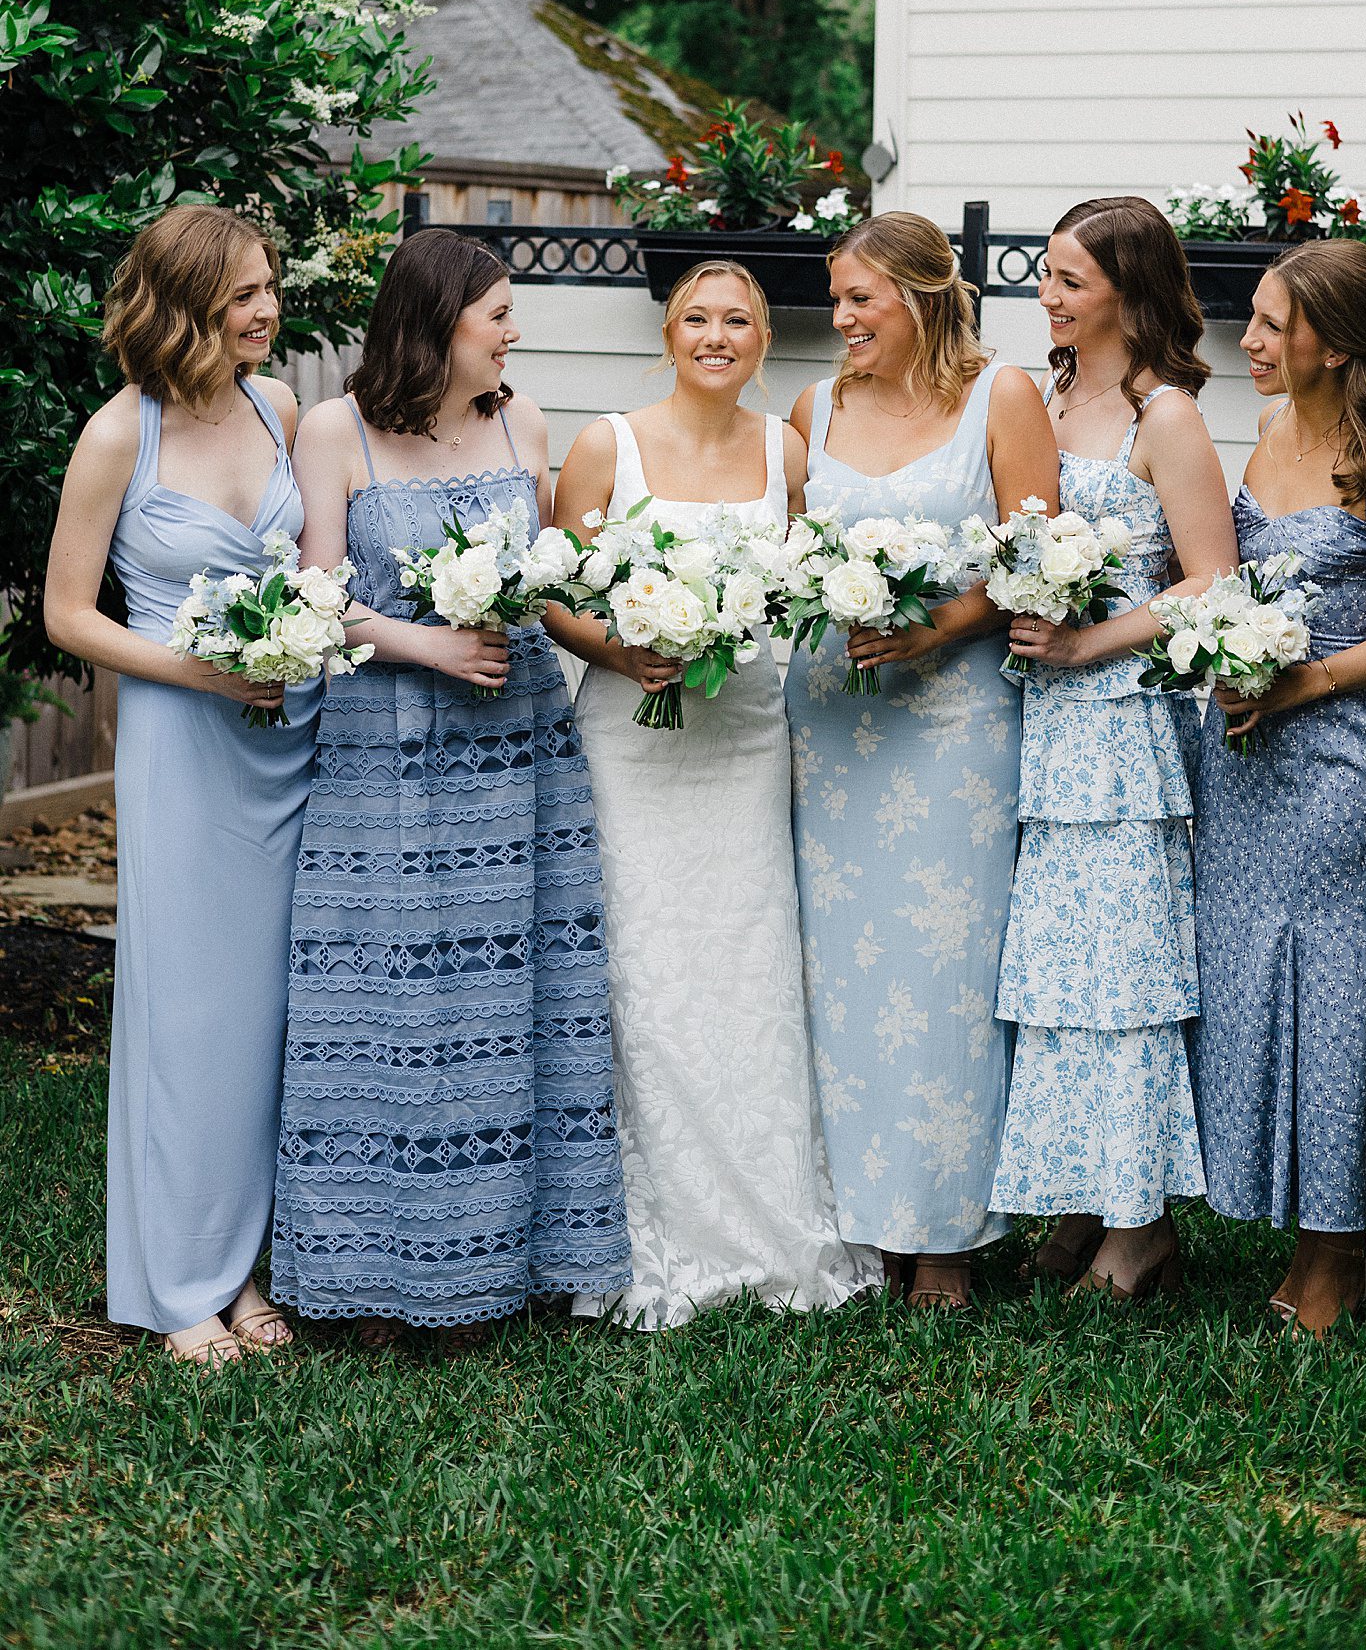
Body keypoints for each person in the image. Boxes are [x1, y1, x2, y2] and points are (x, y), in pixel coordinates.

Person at [271, 228, 631, 1336]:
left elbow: (564, 569)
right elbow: (315, 600)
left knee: (516, 996)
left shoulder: (521, 419)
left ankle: (516, 1264)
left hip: (517, 743)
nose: (515, 332)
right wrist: (425, 644)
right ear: (437, 322)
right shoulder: (336, 430)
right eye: (499, 315)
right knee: (388, 998)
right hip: (386, 748)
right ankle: (374, 1273)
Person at [549, 261, 878, 1327]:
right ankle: (642, 1231)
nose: (718, 336)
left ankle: (768, 1217)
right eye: (698, 318)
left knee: (746, 957)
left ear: (763, 341)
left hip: (741, 733)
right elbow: (558, 596)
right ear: (669, 332)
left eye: (738, 320)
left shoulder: (787, 453)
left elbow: (808, 583)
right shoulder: (609, 444)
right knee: (642, 962)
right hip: (633, 742)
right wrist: (623, 653)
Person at [44, 205, 316, 1365]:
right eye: (246, 295)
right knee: (191, 1011)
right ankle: (178, 1285)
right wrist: (203, 673)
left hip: (293, 727)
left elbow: (315, 573)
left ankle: (249, 1266)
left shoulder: (279, 404)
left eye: (269, 289)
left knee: (278, 1012)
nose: (269, 311)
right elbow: (68, 615)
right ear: (188, 303)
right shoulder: (120, 435)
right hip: (182, 737)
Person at [1190, 239, 1366, 1337]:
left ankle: (1337, 1249)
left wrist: (1307, 681)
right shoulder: (1262, 432)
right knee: (1253, 975)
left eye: (1271, 325)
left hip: (1337, 752)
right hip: (1241, 751)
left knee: (1336, 982)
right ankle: (1275, 1201)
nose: (1249, 342)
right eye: (1250, 318)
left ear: (1335, 342)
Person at [785, 211, 1060, 1310]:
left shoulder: (1003, 398)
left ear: (923, 295)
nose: (841, 319)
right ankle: (860, 1225)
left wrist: (935, 627)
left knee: (945, 974)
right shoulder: (817, 407)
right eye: (837, 299)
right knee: (842, 971)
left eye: (861, 300)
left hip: (955, 728)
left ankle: (942, 1233)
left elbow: (1040, 557)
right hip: (836, 724)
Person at [991, 198, 1239, 1299]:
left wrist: (1091, 642)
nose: (1048, 295)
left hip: (1124, 726)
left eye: (1070, 280)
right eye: (1046, 275)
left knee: (1125, 972)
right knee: (1062, 970)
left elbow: (1209, 580)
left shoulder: (1165, 414)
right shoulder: (1048, 393)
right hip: (1042, 722)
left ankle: (1142, 1226)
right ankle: (1088, 1195)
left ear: (1129, 294)